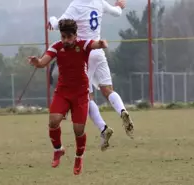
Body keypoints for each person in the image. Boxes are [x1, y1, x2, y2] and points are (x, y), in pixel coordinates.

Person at [48, 0, 134, 151]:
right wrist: (120, 6)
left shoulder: (76, 5)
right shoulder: (99, 2)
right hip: (98, 50)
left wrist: (51, 19)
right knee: (108, 89)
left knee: (86, 97)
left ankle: (103, 128)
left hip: (83, 52)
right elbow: (117, 12)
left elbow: (58, 24)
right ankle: (122, 111)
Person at [28, 19, 108, 175]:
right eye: (63, 37)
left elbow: (95, 44)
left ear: (75, 35)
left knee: (78, 130)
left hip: (80, 94)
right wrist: (37, 61)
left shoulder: (83, 45)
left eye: (68, 37)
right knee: (53, 120)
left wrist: (102, 43)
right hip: (63, 92)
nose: (65, 40)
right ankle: (58, 149)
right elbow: (43, 62)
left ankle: (79, 157)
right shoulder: (57, 47)